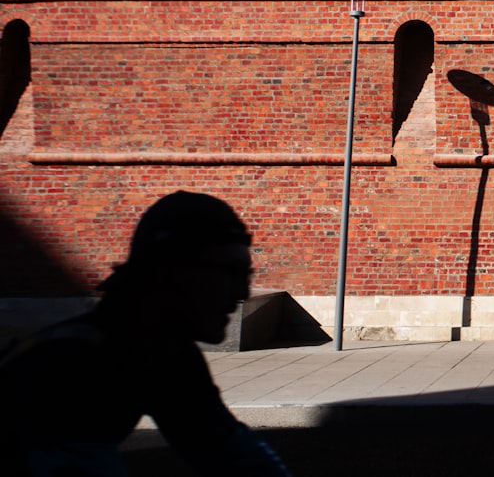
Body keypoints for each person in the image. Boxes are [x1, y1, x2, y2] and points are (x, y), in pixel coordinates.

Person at [0, 190, 292, 476]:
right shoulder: (70, 368)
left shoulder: (161, 352)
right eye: (228, 272)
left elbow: (231, 452)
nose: (242, 292)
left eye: (245, 276)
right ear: (170, 272)